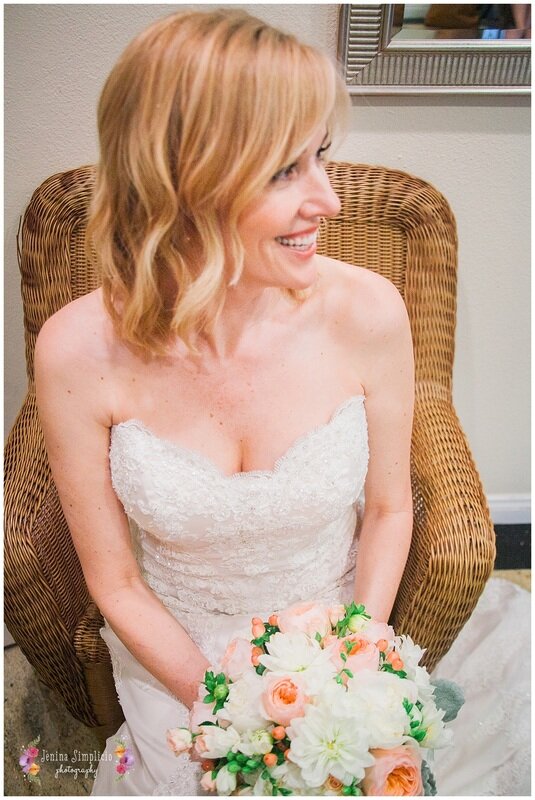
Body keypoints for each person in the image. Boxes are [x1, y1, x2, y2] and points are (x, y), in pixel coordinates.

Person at [34, 9, 529, 797]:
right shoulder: (75, 350)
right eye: (282, 172)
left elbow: (388, 510)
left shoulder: (367, 311)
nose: (327, 202)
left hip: (334, 643)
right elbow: (116, 582)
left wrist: (346, 673)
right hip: (178, 658)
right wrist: (233, 714)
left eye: (321, 157)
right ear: (181, 181)